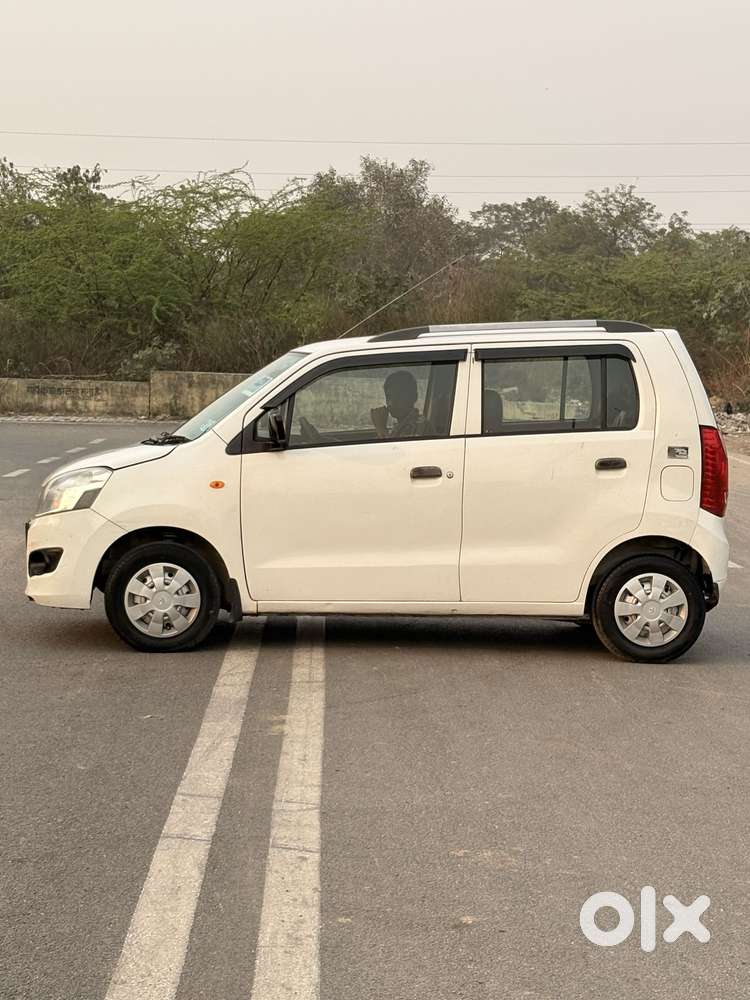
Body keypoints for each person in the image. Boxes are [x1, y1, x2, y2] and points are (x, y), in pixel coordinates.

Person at [371, 369, 433, 438]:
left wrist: (381, 429)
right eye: (389, 397)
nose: (392, 402)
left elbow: (393, 445)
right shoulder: (400, 425)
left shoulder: (418, 426)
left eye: (399, 396)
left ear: (414, 397)